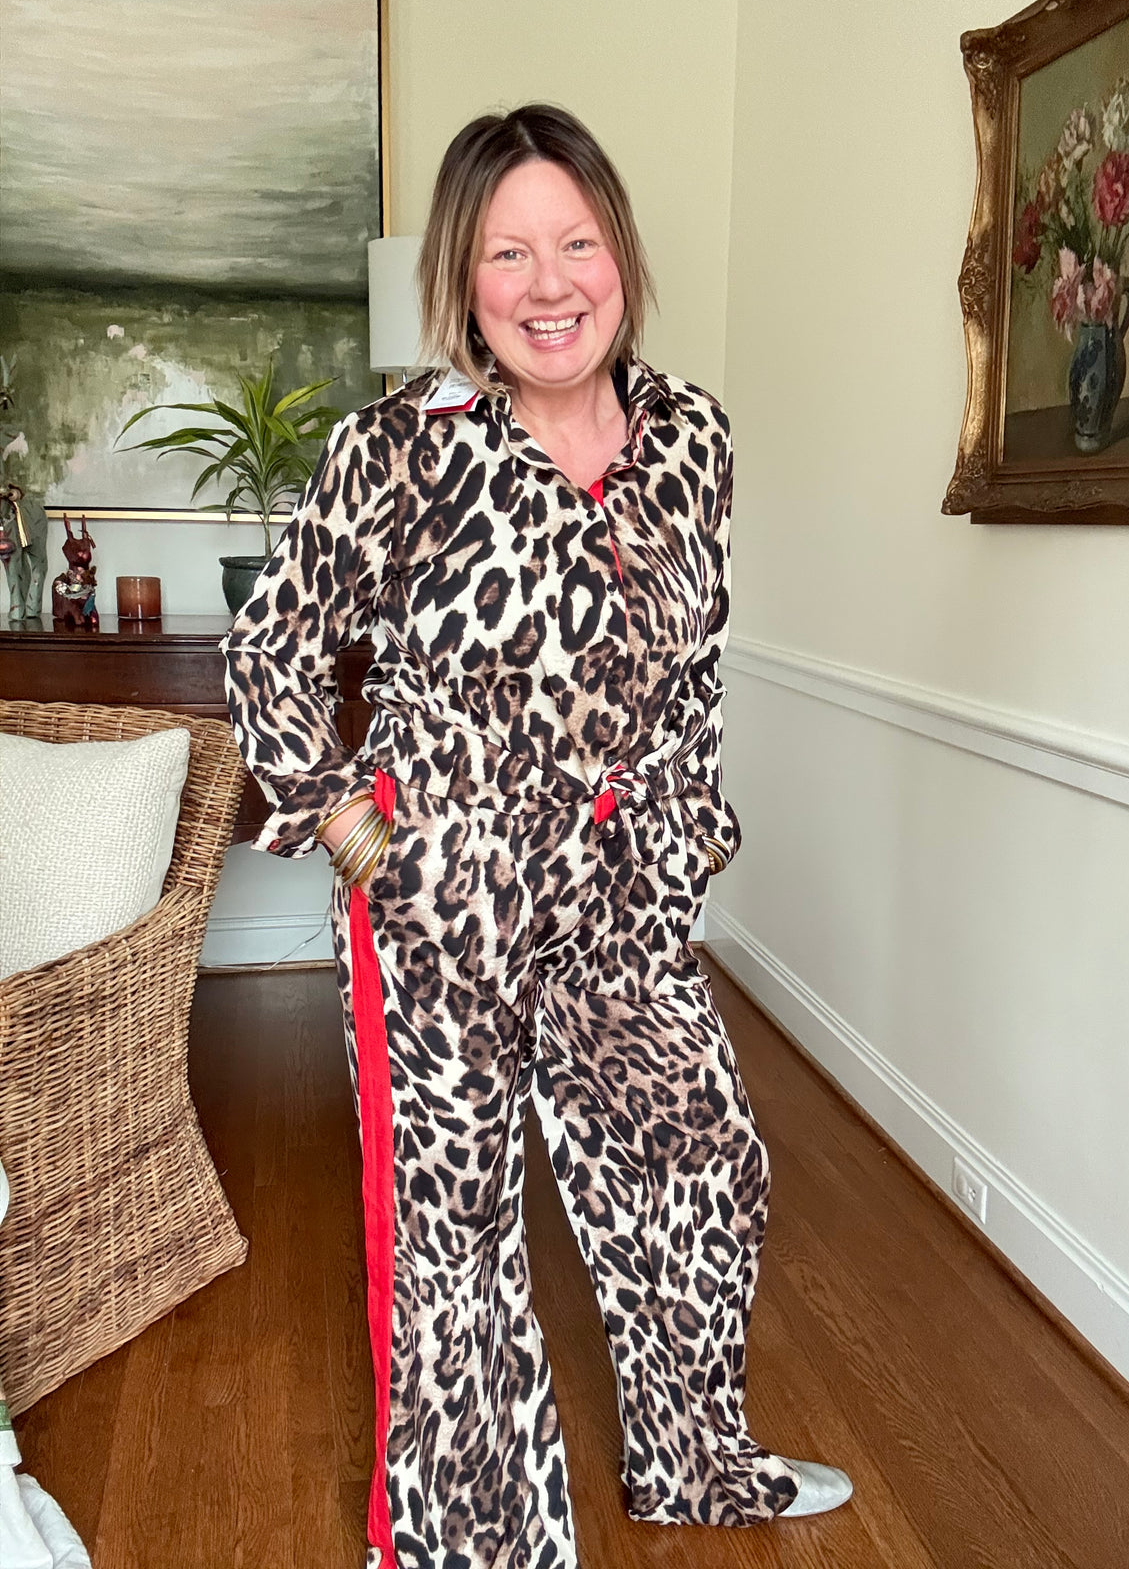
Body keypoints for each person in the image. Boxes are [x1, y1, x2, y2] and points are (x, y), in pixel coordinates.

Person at [221, 103, 852, 1569]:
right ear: (463, 274)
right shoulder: (400, 450)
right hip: (442, 902)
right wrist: (369, 847)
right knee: (453, 1243)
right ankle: (480, 1547)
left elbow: (691, 671)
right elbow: (271, 652)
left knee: (705, 1160)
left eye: (576, 243)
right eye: (509, 252)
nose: (549, 283)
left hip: (624, 899)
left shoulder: (693, 437)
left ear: (621, 253)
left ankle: (692, 1462)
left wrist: (683, 843)